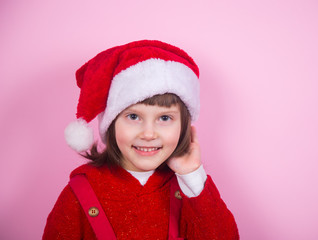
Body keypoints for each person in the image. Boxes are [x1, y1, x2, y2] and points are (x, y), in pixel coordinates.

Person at [43, 40, 239, 239]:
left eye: (164, 118)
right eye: (133, 117)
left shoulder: (190, 188)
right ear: (111, 123)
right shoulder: (79, 194)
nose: (148, 134)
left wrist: (192, 175)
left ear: (184, 127)